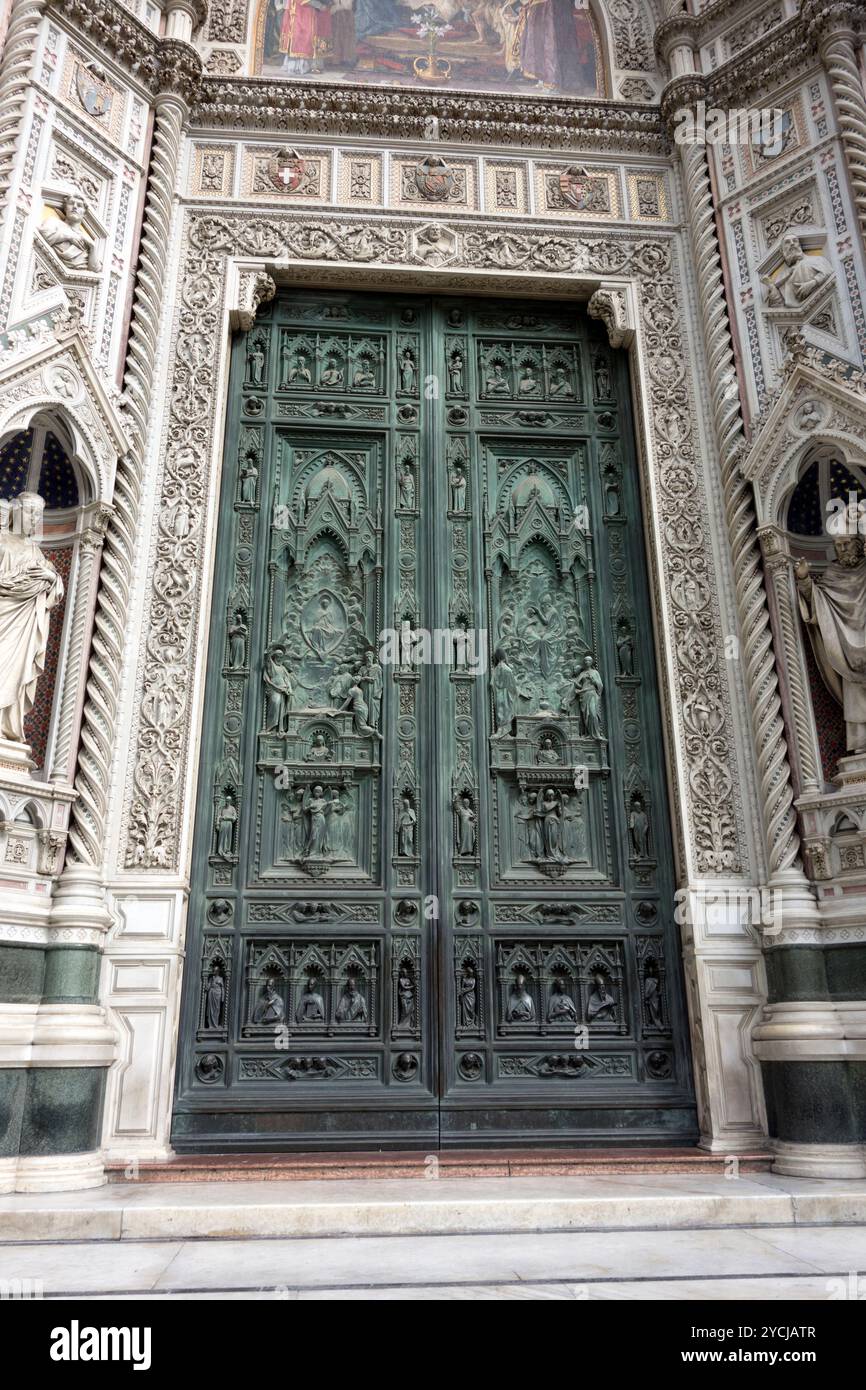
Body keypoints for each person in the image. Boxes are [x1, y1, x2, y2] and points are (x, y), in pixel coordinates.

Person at [0, 493, 64, 743]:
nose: (34, 519)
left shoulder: (36, 552)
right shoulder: (2, 541)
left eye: (38, 515)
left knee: (13, 672)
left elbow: (52, 589)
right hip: (4, 614)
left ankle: (5, 727)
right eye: (29, 512)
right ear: (16, 511)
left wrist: (50, 579)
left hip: (23, 626)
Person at [796, 535, 866, 752]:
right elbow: (819, 602)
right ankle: (862, 744)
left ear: (859, 544)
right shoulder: (833, 575)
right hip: (846, 645)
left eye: (846, 544)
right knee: (854, 694)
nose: (842, 549)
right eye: (838, 546)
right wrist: (805, 580)